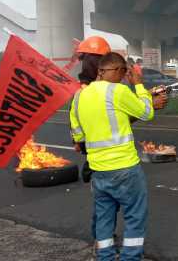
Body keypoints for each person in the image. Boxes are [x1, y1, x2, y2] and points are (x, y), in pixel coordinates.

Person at [70, 52, 164, 261]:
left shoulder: (79, 96)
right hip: (125, 168)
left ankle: (105, 257)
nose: (124, 77)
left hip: (98, 171)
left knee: (104, 218)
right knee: (134, 216)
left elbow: (77, 133)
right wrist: (138, 86)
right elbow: (147, 112)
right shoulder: (118, 91)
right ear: (116, 70)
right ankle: (129, 258)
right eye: (123, 72)